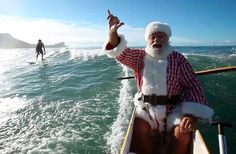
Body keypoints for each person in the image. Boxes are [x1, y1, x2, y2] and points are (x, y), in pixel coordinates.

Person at [103, 10, 214, 154]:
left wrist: (190, 114)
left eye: (161, 36)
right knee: (140, 128)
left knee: (183, 133)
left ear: (167, 39)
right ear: (147, 40)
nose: (156, 40)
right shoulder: (139, 56)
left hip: (174, 109)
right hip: (146, 109)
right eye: (153, 37)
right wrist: (112, 33)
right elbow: (120, 53)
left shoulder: (178, 59)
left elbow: (193, 86)